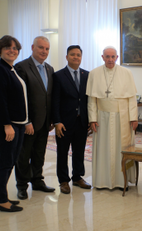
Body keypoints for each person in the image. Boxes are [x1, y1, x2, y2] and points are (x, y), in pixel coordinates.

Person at [0, 35, 27, 212]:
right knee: (4, 161)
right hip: (3, 124)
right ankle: (1, 200)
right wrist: (7, 125)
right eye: (8, 47)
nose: (12, 50)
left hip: (16, 123)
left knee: (9, 161)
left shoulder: (10, 69)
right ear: (0, 49)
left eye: (15, 48)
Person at [86, 46, 138, 190]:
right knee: (104, 149)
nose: (110, 59)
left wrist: (134, 118)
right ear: (102, 57)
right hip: (102, 118)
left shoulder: (126, 73)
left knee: (121, 148)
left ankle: (122, 181)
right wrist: (92, 119)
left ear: (117, 57)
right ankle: (102, 181)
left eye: (113, 57)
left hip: (123, 117)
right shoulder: (94, 73)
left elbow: (132, 99)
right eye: (107, 57)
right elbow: (92, 100)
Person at [14, 36, 55, 200]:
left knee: (39, 154)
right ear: (32, 47)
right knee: (24, 156)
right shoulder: (22, 67)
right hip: (29, 123)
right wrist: (27, 121)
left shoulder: (50, 69)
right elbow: (20, 98)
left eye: (46, 49)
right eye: (41, 48)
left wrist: (51, 118)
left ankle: (37, 181)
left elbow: (49, 96)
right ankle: (22, 186)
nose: (44, 51)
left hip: (44, 122)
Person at [52, 45, 91, 194]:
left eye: (78, 55)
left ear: (81, 57)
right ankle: (63, 181)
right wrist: (57, 121)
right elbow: (55, 101)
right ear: (67, 57)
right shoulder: (58, 75)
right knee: (62, 152)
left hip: (81, 121)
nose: (76, 57)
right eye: (72, 54)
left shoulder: (87, 75)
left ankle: (77, 177)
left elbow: (88, 99)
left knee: (79, 151)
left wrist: (89, 119)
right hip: (64, 122)